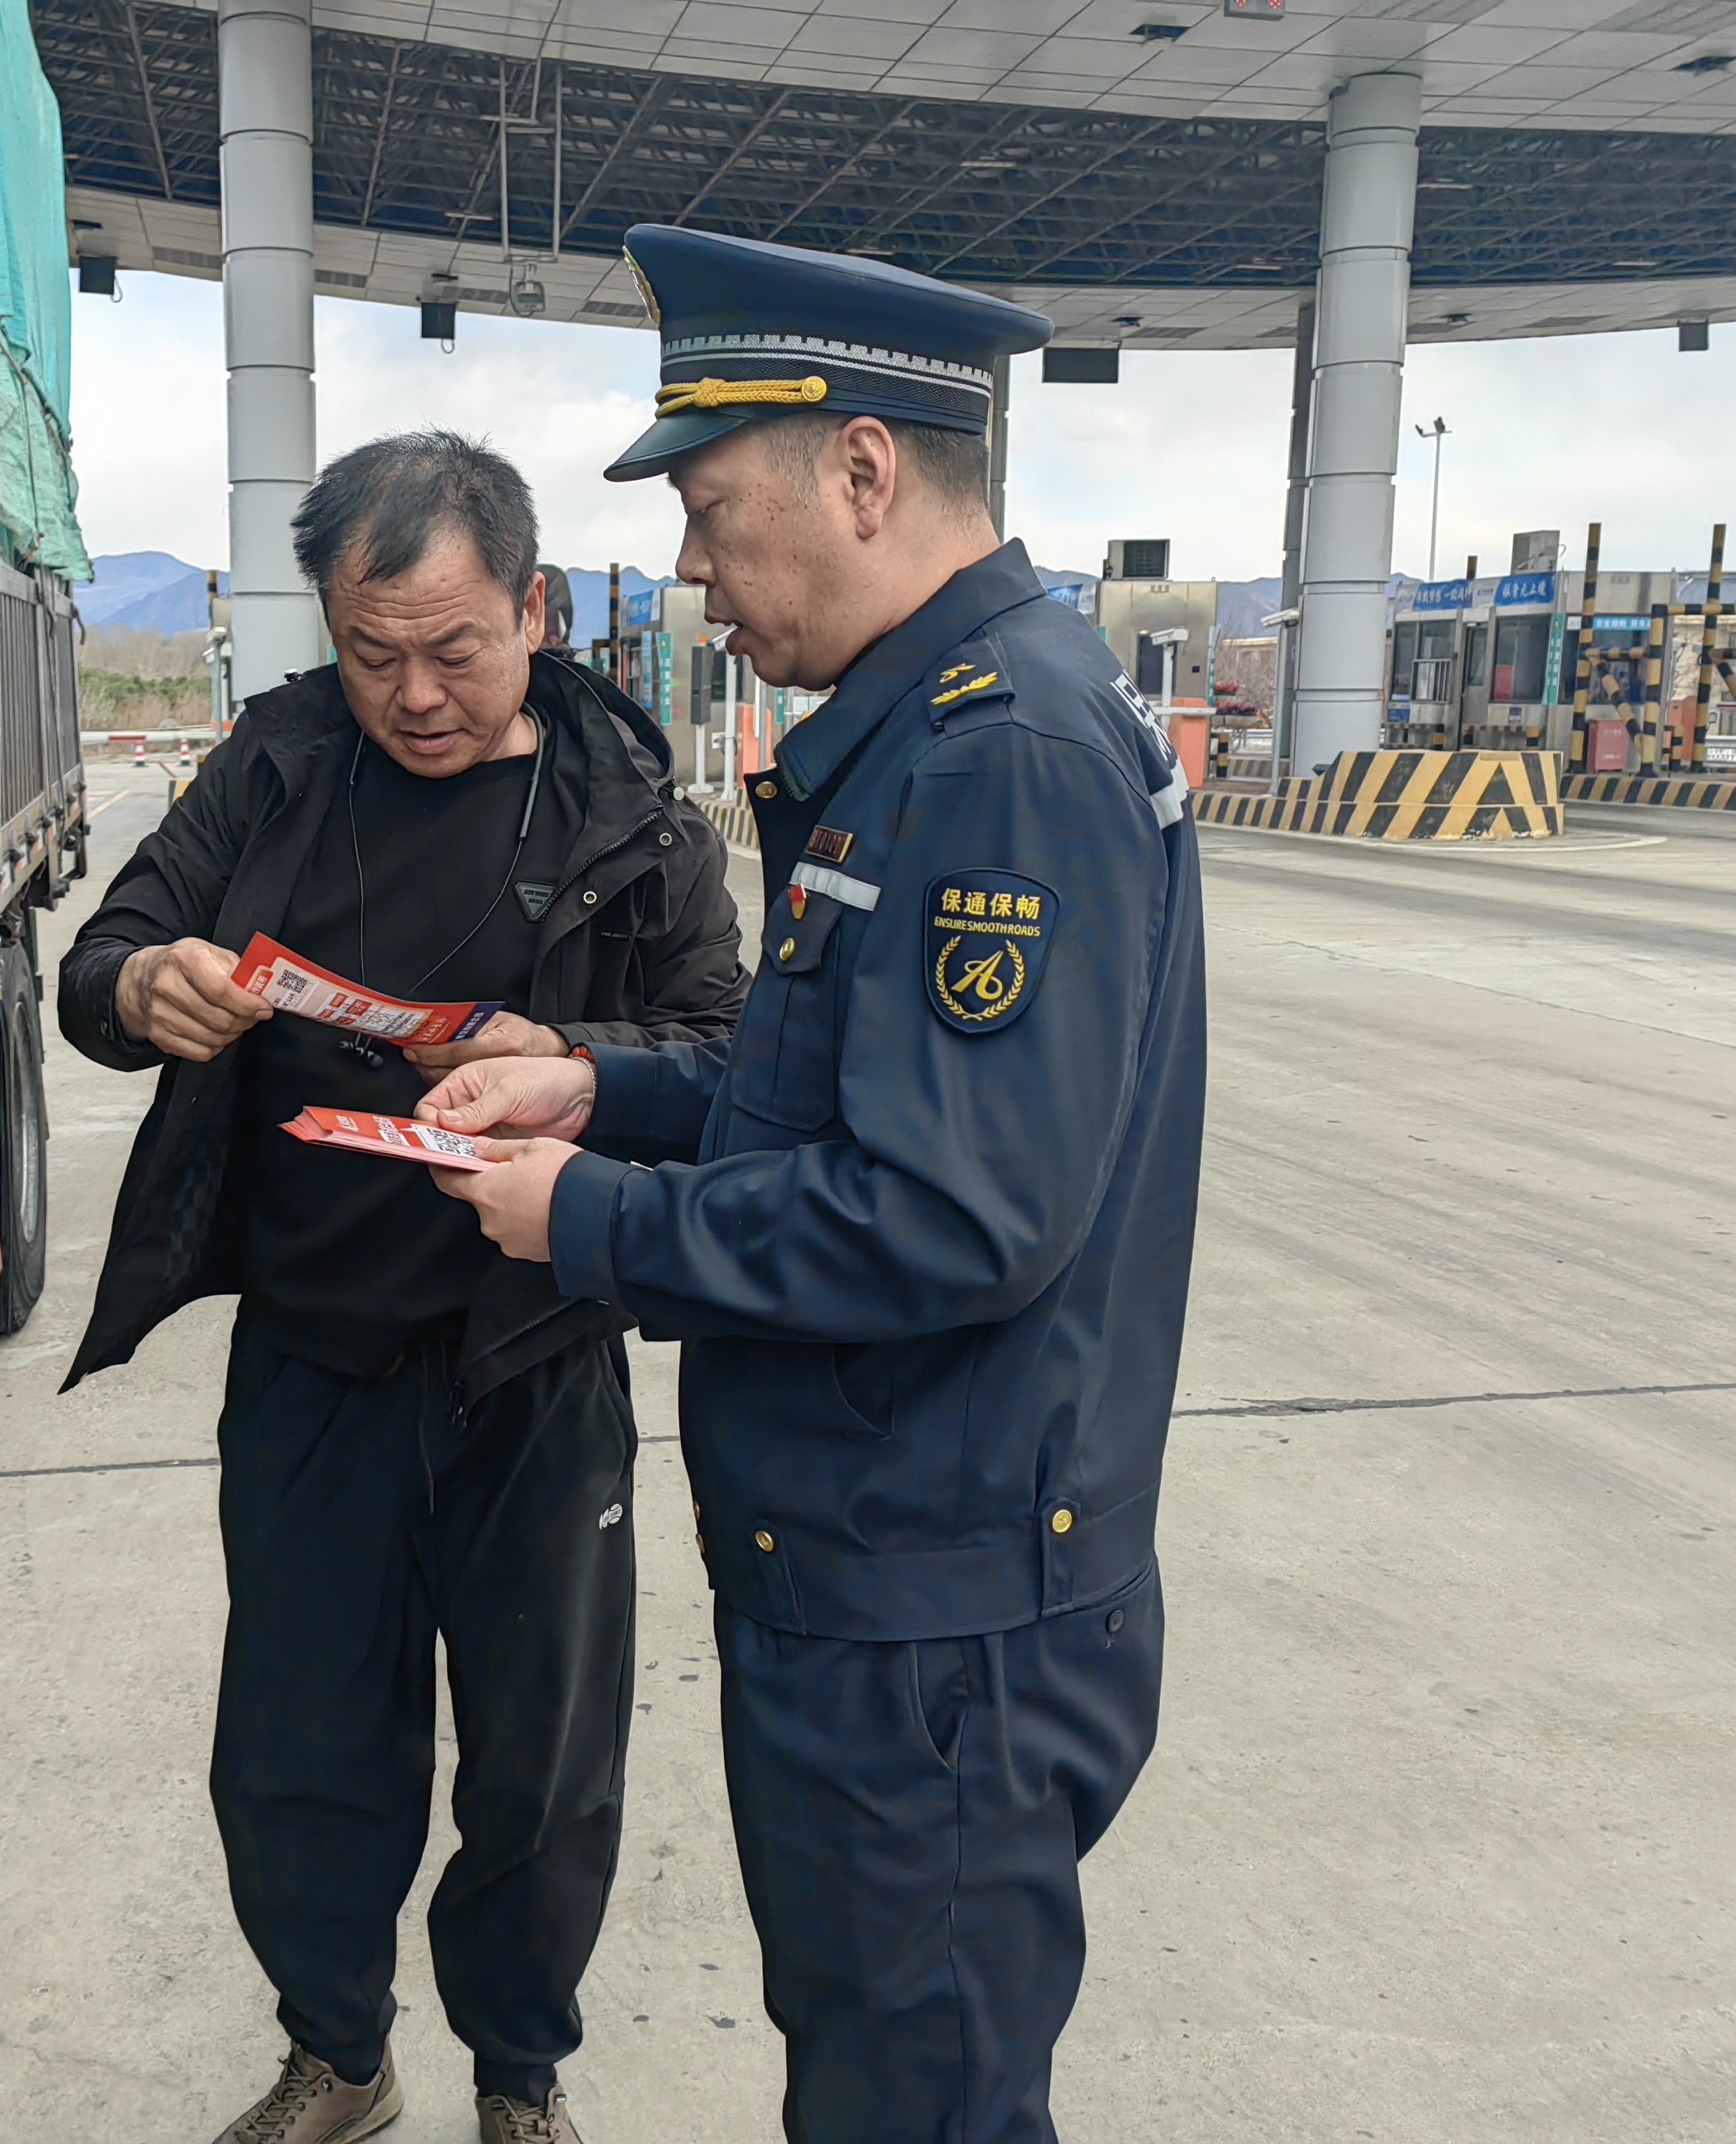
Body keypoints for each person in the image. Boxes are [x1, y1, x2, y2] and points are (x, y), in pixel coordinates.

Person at [417, 225, 1208, 2143]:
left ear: (859, 470)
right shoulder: (927, 734)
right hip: (893, 1581)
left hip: (936, 1619)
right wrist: (597, 1087)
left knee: (909, 2104)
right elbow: (834, 1097)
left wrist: (586, 1224)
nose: (693, 569)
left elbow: (950, 1214)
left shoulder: (1000, 757)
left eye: (707, 510)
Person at [57, 431, 747, 2144]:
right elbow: (98, 959)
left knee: (540, 1763)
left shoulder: (627, 814)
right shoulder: (275, 769)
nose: (414, 696)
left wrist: (574, 1060)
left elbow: (731, 1061)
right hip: (313, 1360)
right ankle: (338, 2058)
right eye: (372, 655)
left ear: (534, 609)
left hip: (535, 1366)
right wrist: (143, 987)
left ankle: (519, 2079)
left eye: (453, 649)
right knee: (298, 1746)